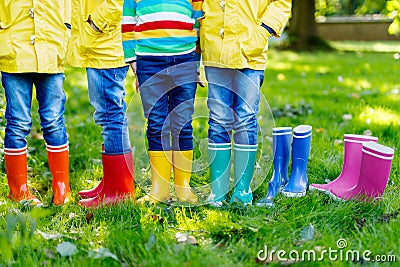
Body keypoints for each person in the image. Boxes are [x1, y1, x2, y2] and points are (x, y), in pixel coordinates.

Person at [201, 0, 292, 206]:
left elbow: (281, 3)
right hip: (215, 47)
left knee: (245, 117)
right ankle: (218, 190)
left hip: (251, 50)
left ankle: (242, 189)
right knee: (218, 118)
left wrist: (263, 31)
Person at [122, 0, 203, 204]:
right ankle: (160, 188)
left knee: (183, 124)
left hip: (184, 59)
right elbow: (127, 22)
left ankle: (182, 187)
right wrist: (132, 60)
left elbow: (198, 21)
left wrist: (197, 61)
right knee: (157, 123)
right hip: (148, 62)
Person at [0, 0, 71, 206]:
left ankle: (61, 187)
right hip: (14, 49)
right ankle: (18, 190)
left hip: (51, 48)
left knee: (54, 121)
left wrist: (67, 28)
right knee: (18, 122)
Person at [66, 0, 135, 207]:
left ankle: (120, 190)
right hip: (100, 45)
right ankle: (112, 182)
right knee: (109, 115)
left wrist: (95, 24)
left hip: (106, 48)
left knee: (111, 116)